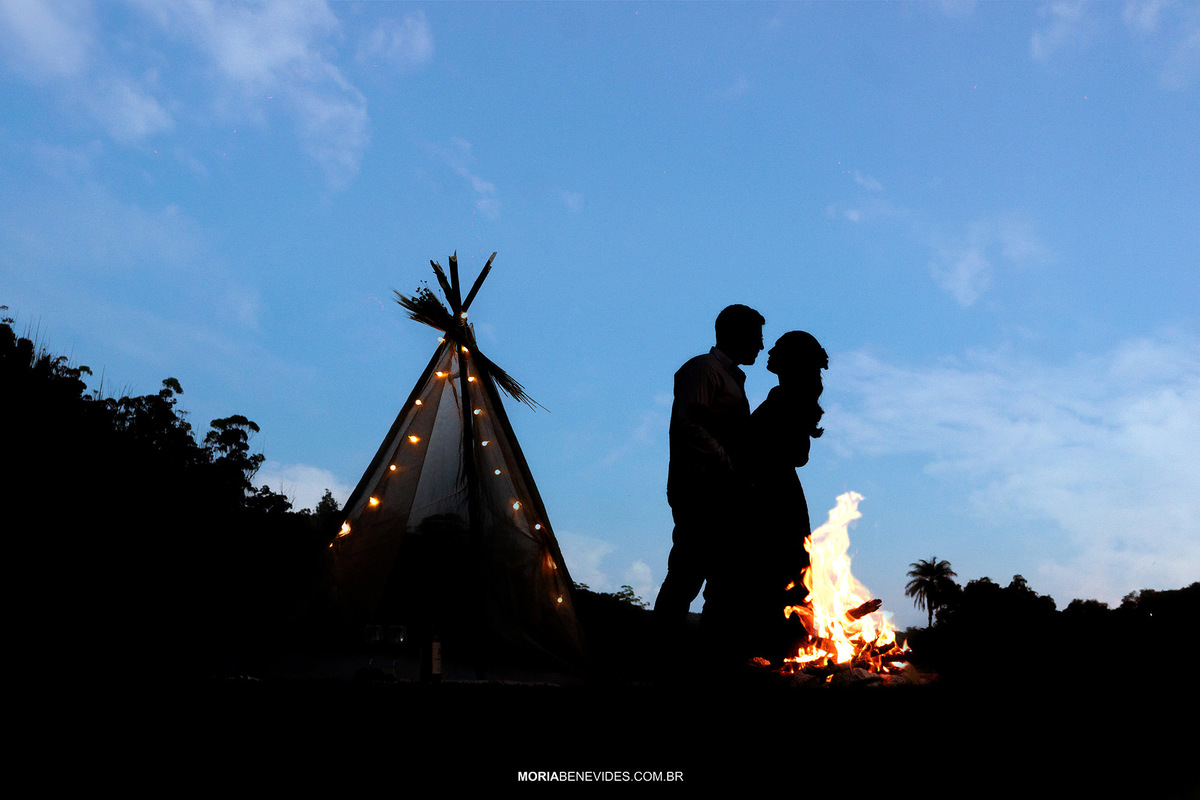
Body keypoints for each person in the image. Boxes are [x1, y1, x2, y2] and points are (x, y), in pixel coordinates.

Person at [653, 304, 765, 638]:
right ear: (736, 335)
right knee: (688, 573)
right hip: (702, 491)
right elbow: (689, 424)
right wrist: (728, 464)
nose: (760, 346)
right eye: (756, 337)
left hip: (721, 492)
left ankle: (708, 656)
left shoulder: (728, 377)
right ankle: (660, 652)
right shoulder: (704, 370)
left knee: (720, 577)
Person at [744, 331, 829, 663]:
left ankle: (781, 657)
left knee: (777, 577)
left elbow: (797, 452)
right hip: (776, 496)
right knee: (777, 577)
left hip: (774, 500)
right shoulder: (785, 396)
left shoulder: (787, 398)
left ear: (790, 358)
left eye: (777, 347)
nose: (769, 350)